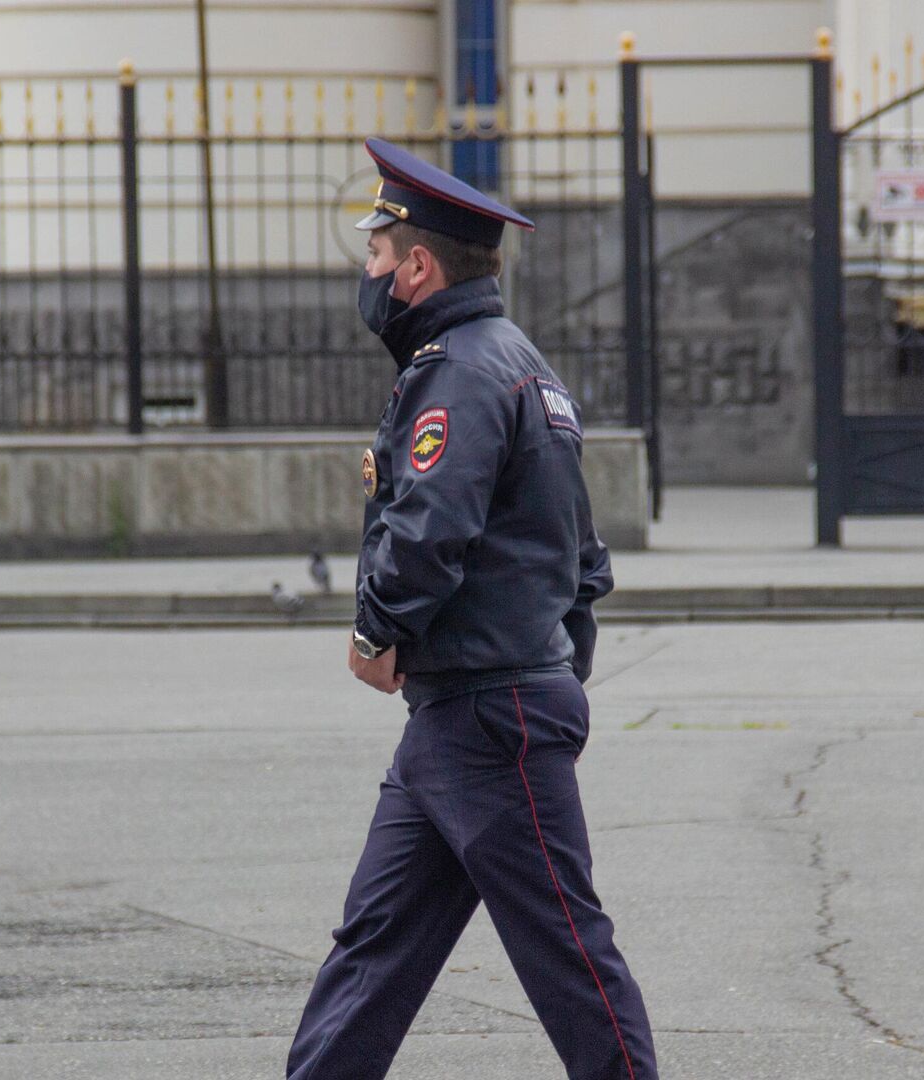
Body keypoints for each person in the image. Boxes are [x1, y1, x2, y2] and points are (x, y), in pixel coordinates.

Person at [284, 138, 656, 1080]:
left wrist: (378, 628)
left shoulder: (462, 373)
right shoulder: (518, 362)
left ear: (417, 265)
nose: (366, 274)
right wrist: (548, 666)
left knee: (568, 952)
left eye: (375, 256)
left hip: (488, 711)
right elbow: (583, 559)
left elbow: (431, 524)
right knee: (375, 945)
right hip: (465, 709)